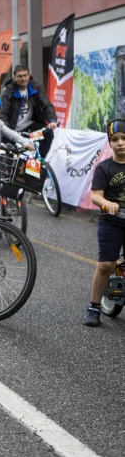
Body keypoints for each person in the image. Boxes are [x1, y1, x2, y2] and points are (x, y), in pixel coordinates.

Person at [84, 119, 125, 327]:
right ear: (110, 143)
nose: (120, 143)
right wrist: (108, 204)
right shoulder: (104, 168)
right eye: (115, 139)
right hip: (111, 220)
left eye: (124, 138)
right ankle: (93, 306)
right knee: (106, 264)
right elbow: (95, 197)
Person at [0, 64, 58, 158]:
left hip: (30, 126)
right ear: (14, 77)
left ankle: (40, 160)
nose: (23, 78)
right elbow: (2, 114)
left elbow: (46, 104)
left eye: (25, 75)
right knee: (12, 158)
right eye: (19, 76)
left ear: (29, 75)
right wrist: (7, 131)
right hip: (12, 128)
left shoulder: (35, 87)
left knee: (48, 134)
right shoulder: (7, 91)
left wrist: (52, 120)